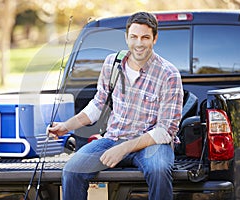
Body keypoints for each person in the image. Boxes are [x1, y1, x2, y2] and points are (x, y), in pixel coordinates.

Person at [48, 11, 183, 200]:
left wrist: (124, 148)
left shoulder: (168, 74)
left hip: (151, 144)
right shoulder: (112, 63)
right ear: (126, 37)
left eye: (145, 37)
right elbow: (97, 105)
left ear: (155, 38)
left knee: (159, 170)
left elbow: (165, 131)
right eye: (134, 37)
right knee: (72, 171)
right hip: (113, 139)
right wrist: (66, 126)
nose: (139, 43)